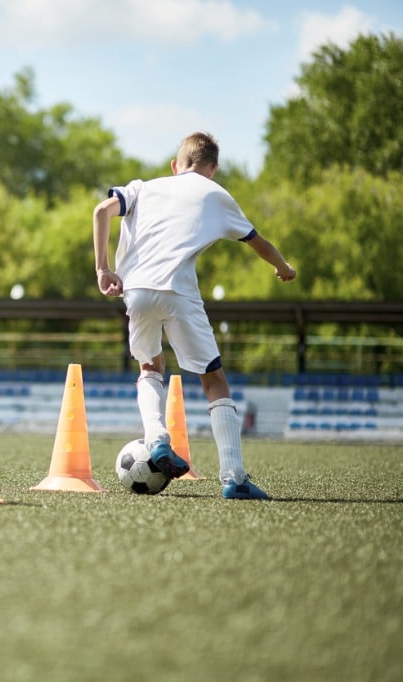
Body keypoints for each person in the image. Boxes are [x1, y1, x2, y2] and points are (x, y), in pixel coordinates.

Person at [92, 132, 296, 499]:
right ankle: (234, 479)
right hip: (178, 292)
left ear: (175, 166)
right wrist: (283, 267)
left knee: (150, 368)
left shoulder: (145, 187)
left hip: (135, 291)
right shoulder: (216, 195)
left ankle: (157, 439)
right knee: (213, 380)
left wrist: (103, 270)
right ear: (212, 170)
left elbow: (100, 211)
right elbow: (257, 241)